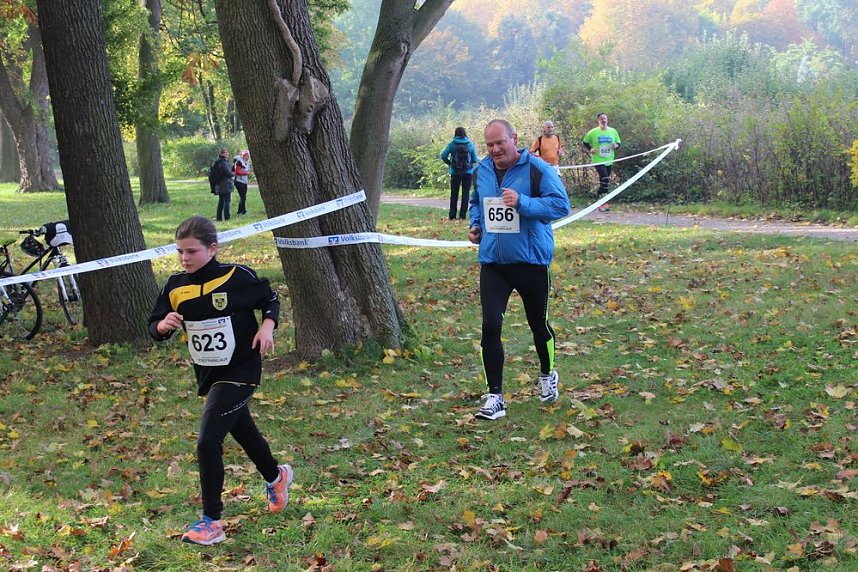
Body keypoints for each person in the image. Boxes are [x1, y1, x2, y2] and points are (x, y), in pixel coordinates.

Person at [147, 216, 293, 546]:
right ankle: (276, 476)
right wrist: (163, 325)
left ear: (212, 249)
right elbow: (154, 325)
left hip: (242, 369)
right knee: (243, 430)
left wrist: (268, 326)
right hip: (210, 375)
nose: (184, 258)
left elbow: (270, 298)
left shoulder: (235, 277)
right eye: (179, 252)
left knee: (207, 440)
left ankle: (211, 521)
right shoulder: (174, 286)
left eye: (191, 251)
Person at [468, 119, 570, 420]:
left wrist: (523, 202)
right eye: (489, 145)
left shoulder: (538, 169)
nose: (495, 149)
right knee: (490, 326)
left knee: (538, 324)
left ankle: (547, 374)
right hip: (494, 263)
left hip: (531, 261)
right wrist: (475, 225)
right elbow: (477, 203)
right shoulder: (481, 170)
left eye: (500, 142)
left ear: (514, 138)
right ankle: (495, 397)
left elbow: (561, 206)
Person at [582, 113, 621, 212]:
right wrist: (590, 149)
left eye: (605, 118)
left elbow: (619, 143)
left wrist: (616, 146)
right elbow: (585, 142)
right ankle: (603, 202)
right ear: (598, 121)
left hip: (609, 159)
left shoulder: (613, 131)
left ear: (607, 120)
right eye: (601, 119)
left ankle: (600, 197)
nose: (603, 120)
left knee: (605, 180)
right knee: (605, 178)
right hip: (598, 159)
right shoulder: (593, 132)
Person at [440, 127, 480, 220]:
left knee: (454, 193)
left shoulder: (452, 144)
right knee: (465, 193)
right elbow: (474, 159)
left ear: (455, 133)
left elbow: (443, 155)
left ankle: (452, 215)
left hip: (455, 172)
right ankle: (462, 216)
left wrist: (450, 164)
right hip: (468, 172)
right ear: (465, 133)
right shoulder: (470, 144)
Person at [210, 147, 234, 221]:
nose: (226, 154)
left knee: (221, 201)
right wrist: (234, 173)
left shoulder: (217, 161)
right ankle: (227, 217)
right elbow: (229, 173)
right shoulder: (223, 162)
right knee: (227, 201)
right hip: (224, 184)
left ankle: (219, 217)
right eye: (224, 153)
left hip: (219, 184)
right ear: (221, 154)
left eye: (227, 152)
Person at [233, 150, 251, 215]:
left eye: (248, 156)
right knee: (242, 197)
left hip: (244, 181)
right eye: (246, 156)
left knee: (243, 197)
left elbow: (247, 169)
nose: (247, 157)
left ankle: (242, 210)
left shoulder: (247, 162)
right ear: (243, 156)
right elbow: (237, 171)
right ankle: (241, 211)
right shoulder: (239, 162)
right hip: (238, 181)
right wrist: (246, 173)